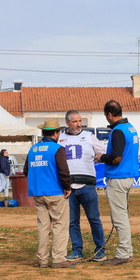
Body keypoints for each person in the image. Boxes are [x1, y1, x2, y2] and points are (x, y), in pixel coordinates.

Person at [24, 119, 75, 269]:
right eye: (58, 132)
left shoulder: (33, 149)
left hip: (38, 192)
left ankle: (43, 259)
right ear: (54, 133)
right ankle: (59, 258)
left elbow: (27, 171)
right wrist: (67, 186)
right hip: (55, 191)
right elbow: (63, 171)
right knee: (60, 224)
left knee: (43, 226)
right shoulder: (57, 149)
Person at [59, 110, 107, 262]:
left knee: (94, 219)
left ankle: (100, 250)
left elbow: (102, 152)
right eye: (75, 121)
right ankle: (77, 250)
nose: (78, 124)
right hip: (68, 187)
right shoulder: (60, 138)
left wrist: (99, 158)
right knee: (72, 221)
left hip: (87, 185)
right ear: (67, 123)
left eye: (80, 121)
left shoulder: (89, 136)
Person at [98, 99, 139, 265]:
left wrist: (101, 157)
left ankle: (123, 253)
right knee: (123, 216)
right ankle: (127, 251)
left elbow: (116, 157)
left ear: (109, 114)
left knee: (119, 218)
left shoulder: (118, 131)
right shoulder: (130, 128)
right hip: (128, 176)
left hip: (118, 177)